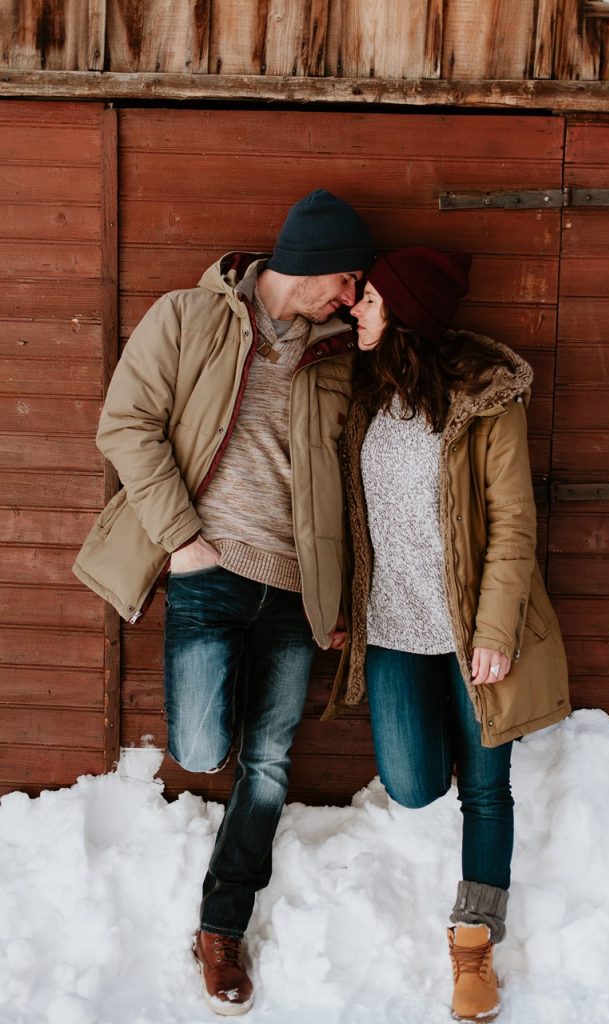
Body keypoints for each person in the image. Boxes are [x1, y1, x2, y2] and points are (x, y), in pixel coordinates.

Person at [73, 189, 375, 1016]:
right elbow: (126, 424)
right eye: (347, 280)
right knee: (204, 749)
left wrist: (335, 597)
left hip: (295, 590)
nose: (351, 296)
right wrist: (181, 540)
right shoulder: (188, 316)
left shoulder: (339, 357)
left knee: (269, 763)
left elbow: (351, 484)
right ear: (312, 262)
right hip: (207, 570)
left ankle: (221, 927)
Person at [333, 247, 570, 1022]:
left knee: (487, 790)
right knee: (412, 784)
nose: (355, 308)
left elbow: (513, 523)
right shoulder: (362, 394)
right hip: (394, 629)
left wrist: (496, 629)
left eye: (369, 299)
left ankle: (475, 944)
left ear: (404, 312)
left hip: (475, 635)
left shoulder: (487, 403)